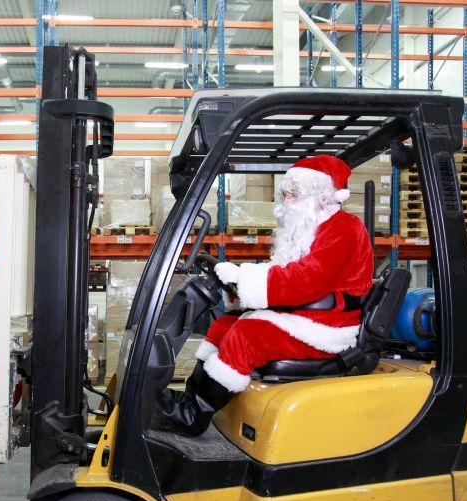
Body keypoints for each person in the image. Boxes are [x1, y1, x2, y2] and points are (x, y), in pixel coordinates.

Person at [158, 154, 375, 437]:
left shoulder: (344, 228)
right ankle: (190, 400)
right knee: (223, 326)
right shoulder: (309, 230)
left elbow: (308, 280)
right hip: (302, 314)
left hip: (326, 325)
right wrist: (238, 283)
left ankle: (194, 416)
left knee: (248, 334)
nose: (285, 201)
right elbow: (284, 271)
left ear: (318, 194)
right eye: (284, 194)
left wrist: (244, 279)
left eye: (292, 194)